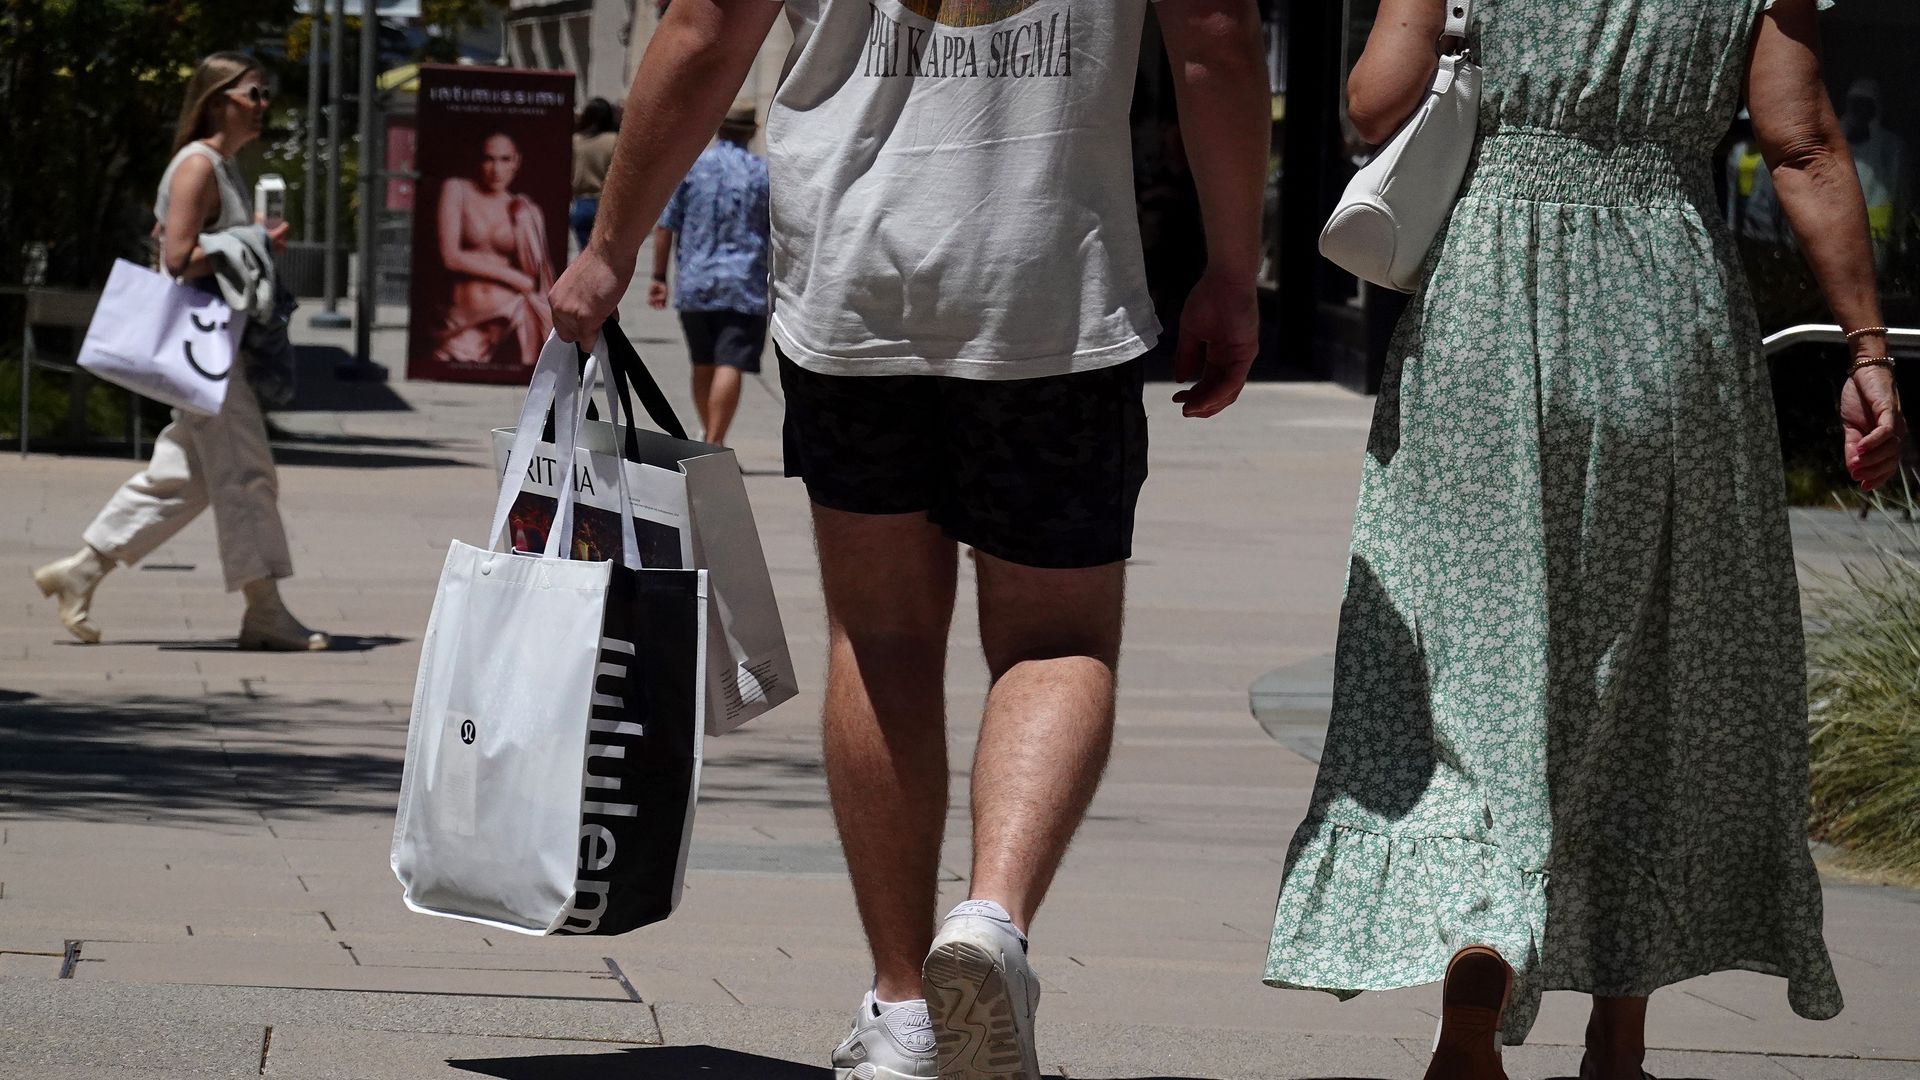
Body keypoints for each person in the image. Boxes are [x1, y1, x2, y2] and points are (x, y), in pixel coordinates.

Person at [549, 2, 1269, 1077]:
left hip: (852, 284)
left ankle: (901, 1010)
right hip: (1050, 289)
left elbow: (705, 31)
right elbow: (1214, 38)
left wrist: (608, 251)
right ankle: (990, 922)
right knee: (1056, 640)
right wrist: (1230, 262)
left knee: (879, 638)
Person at [1262, 2, 1904, 1078]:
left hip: (1488, 310)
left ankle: (1475, 972)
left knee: (1472, 653)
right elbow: (1803, 144)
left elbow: (1374, 103)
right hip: (1669, 311)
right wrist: (1868, 349)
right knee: (1647, 663)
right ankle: (1618, 1039)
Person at [32, 52, 330, 652]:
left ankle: (81, 571)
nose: (263, 105)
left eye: (265, 94)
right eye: (254, 93)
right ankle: (264, 609)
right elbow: (177, 259)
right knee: (247, 476)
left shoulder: (220, 166)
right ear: (219, 99)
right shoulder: (197, 165)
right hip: (207, 354)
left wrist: (250, 241)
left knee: (184, 476)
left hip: (219, 350)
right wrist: (252, 241)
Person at [647, 102, 770, 448]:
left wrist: (659, 276)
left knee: (702, 361)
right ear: (752, 132)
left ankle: (707, 436)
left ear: (718, 129)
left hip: (696, 281)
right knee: (731, 361)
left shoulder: (691, 170)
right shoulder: (762, 173)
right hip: (744, 283)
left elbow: (666, 225)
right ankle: (716, 440)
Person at [433, 132, 554, 368]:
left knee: (521, 383)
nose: (496, 169)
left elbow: (537, 273)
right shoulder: (457, 189)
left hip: (514, 317)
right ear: (477, 160)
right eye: (489, 159)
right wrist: (513, 277)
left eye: (505, 159)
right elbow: (451, 257)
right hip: (463, 317)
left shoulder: (523, 208)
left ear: (516, 162)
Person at [572, 98, 620, 252]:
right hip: (606, 205)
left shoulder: (575, 142)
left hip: (581, 203)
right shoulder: (615, 141)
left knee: (583, 255)